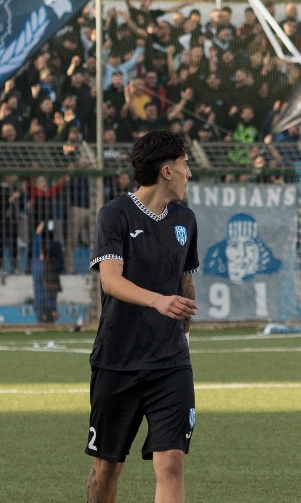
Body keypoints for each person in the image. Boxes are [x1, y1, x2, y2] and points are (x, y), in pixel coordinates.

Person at [85, 130, 199, 503]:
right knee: (107, 470)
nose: (189, 173)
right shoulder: (114, 214)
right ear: (167, 171)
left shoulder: (186, 219)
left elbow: (186, 282)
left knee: (172, 463)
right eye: (185, 164)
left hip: (170, 361)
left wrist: (184, 331)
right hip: (117, 359)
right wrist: (158, 301)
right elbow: (111, 281)